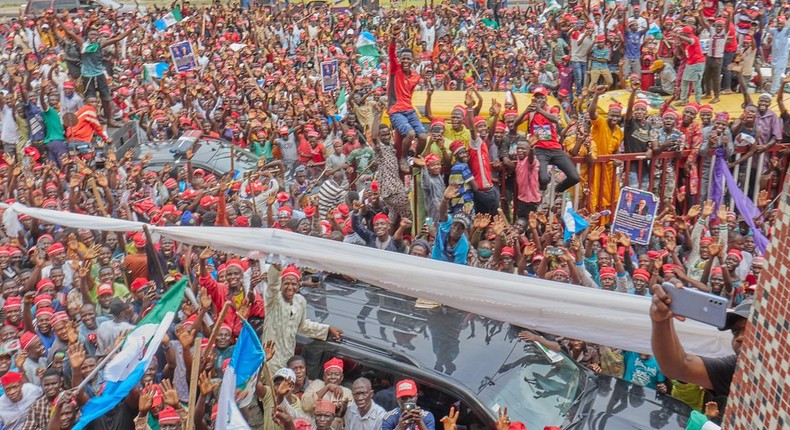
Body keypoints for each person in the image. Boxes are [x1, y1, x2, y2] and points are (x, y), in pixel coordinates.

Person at [651, 284, 751, 410]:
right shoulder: (735, 369)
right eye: (735, 331)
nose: (739, 338)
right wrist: (661, 321)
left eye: (750, 329)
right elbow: (678, 367)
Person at [263, 265, 343, 373]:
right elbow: (272, 286)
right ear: (281, 284)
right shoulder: (273, 299)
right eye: (286, 283)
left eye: (293, 284)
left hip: (288, 359)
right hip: (270, 358)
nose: (290, 287)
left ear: (298, 285)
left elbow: (302, 325)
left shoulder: (300, 301)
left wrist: (327, 329)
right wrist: (276, 269)